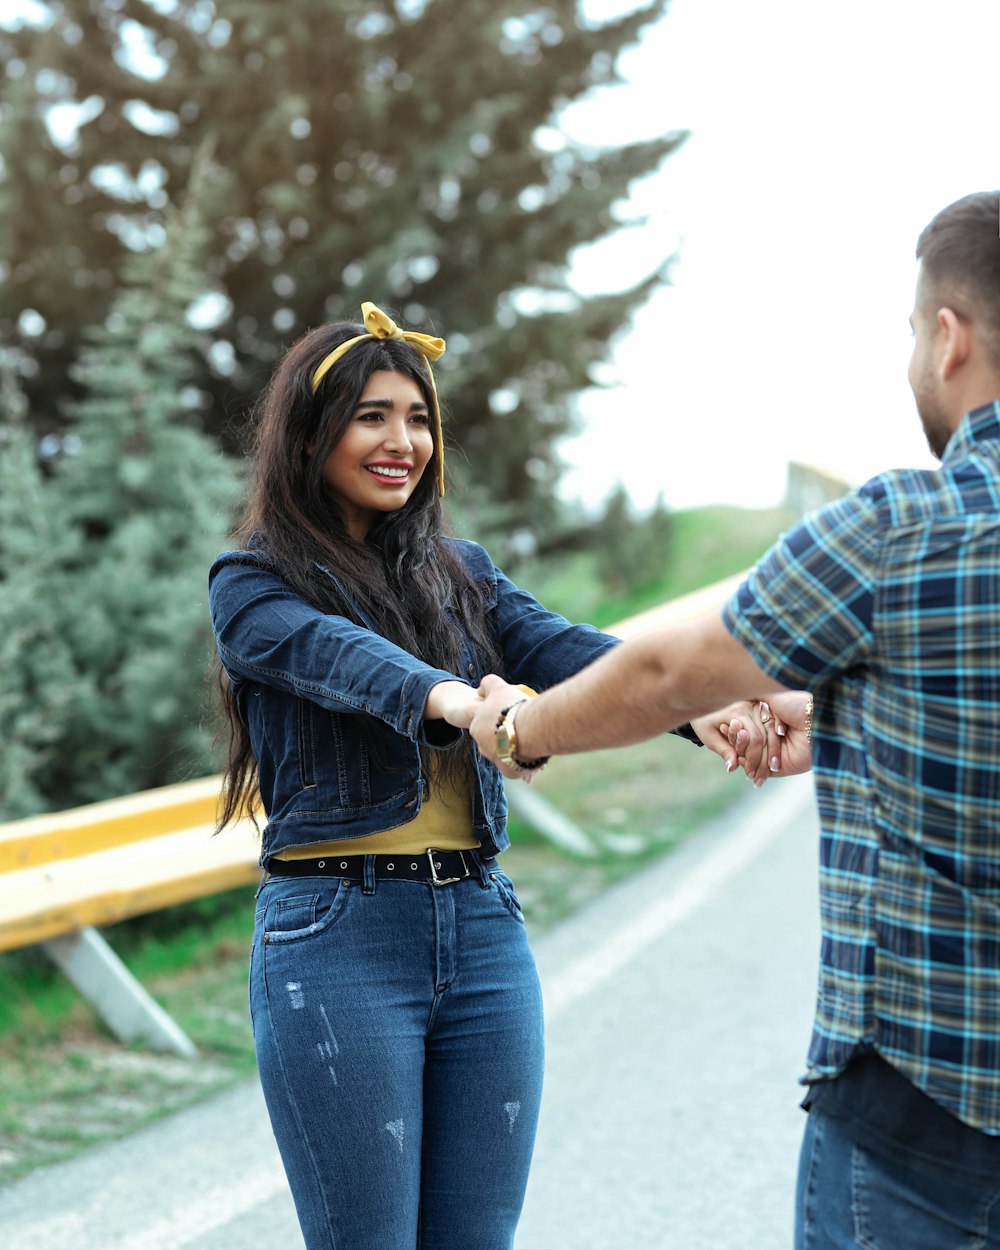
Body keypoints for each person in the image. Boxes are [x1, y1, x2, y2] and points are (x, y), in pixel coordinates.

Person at [459, 190, 1000, 1248]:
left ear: (948, 339)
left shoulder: (909, 527)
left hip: (926, 1104)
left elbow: (668, 666)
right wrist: (841, 710)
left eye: (908, 332)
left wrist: (522, 729)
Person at [208, 301, 770, 1250]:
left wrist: (703, 704)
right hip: (336, 939)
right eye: (372, 415)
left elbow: (569, 650)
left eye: (419, 417)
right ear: (310, 436)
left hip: (480, 930)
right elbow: (343, 657)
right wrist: (463, 702)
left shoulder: (460, 572)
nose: (404, 441)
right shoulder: (254, 582)